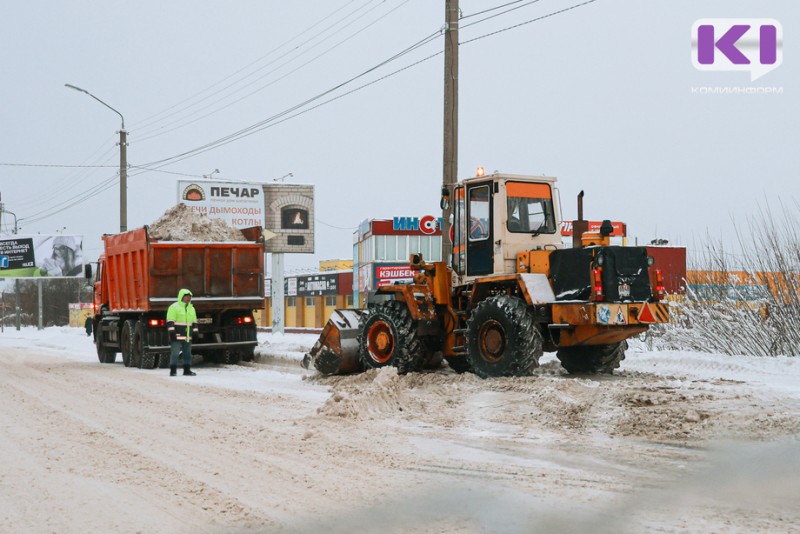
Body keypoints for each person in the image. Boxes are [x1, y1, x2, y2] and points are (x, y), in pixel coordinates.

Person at [166, 288, 199, 376]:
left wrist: (195, 332)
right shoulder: (174, 307)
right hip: (177, 335)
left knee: (187, 354)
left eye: (189, 297)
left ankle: (187, 370)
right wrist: (172, 332)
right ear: (181, 297)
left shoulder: (191, 308)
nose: (188, 299)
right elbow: (170, 321)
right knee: (175, 353)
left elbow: (194, 322)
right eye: (186, 297)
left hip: (188, 336)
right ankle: (173, 371)